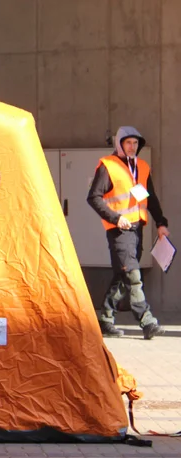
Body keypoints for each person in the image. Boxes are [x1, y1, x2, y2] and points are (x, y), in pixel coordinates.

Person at [87, 126, 167, 340]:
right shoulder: (108, 166)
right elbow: (93, 197)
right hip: (118, 230)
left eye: (135, 143)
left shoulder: (142, 166)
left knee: (123, 276)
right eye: (128, 142)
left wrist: (161, 223)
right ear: (119, 144)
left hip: (137, 230)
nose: (132, 147)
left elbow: (151, 199)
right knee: (133, 276)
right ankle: (147, 321)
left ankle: (105, 319)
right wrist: (115, 218)